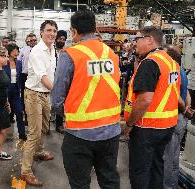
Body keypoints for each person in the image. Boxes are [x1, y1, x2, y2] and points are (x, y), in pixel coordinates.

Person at [51, 10, 121, 189]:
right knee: (109, 180)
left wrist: (68, 115)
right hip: (110, 131)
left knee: (80, 183)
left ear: (73, 31)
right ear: (95, 28)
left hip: (80, 134)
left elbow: (57, 98)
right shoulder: (110, 53)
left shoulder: (70, 55)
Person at [123, 26, 181, 189]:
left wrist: (129, 125)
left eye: (137, 39)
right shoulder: (171, 62)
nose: (135, 44)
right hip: (167, 126)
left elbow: (144, 100)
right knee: (156, 167)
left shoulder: (150, 63)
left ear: (149, 40)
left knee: (140, 172)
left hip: (147, 128)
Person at [21, 20, 57, 187]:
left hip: (45, 94)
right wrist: (60, 94)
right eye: (49, 30)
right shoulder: (37, 51)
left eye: (54, 31)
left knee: (44, 128)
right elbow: (43, 77)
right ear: (41, 32)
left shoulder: (52, 50)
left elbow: (52, 74)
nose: (52, 33)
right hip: (34, 94)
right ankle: (26, 171)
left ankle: (39, 151)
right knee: (34, 133)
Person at [163, 46, 194, 189]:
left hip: (174, 118)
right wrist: (187, 108)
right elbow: (186, 93)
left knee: (167, 159)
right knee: (174, 158)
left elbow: (174, 95)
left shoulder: (173, 71)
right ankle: (172, 185)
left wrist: (183, 108)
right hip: (181, 118)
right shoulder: (181, 71)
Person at [4, 43, 27, 141]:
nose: (17, 53)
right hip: (5, 90)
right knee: (4, 113)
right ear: (9, 52)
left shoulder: (19, 63)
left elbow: (20, 78)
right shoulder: (4, 63)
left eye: (17, 51)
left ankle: (22, 133)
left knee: (19, 111)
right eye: (14, 51)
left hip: (16, 90)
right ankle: (1, 133)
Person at [17, 33, 37, 125]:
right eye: (30, 40)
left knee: (35, 97)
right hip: (25, 76)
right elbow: (19, 64)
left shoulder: (39, 50)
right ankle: (27, 117)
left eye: (34, 40)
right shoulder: (22, 50)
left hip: (36, 77)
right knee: (25, 97)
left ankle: (35, 117)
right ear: (27, 41)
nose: (33, 42)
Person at [54, 30, 67, 134]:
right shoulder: (50, 50)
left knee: (60, 103)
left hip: (61, 80)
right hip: (50, 78)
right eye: (60, 39)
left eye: (63, 39)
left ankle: (59, 124)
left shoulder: (66, 52)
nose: (61, 41)